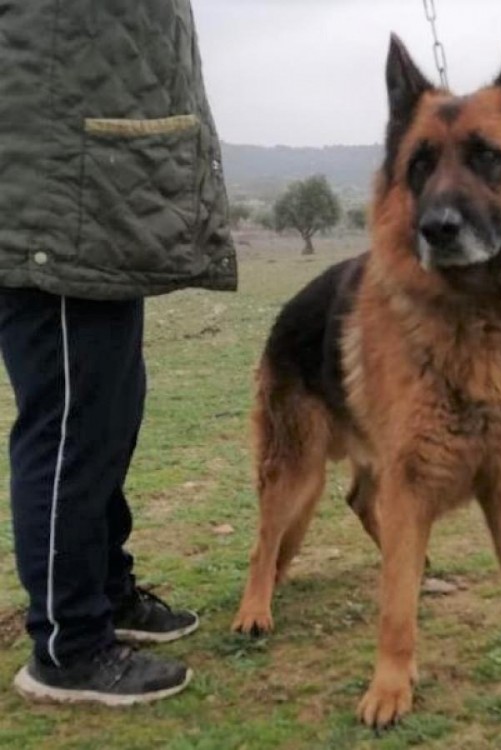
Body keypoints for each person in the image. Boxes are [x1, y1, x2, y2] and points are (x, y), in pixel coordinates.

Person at [0, 0, 237, 705]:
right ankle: (68, 645)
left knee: (108, 414)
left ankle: (104, 591)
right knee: (71, 425)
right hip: (52, 194)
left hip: (98, 188)